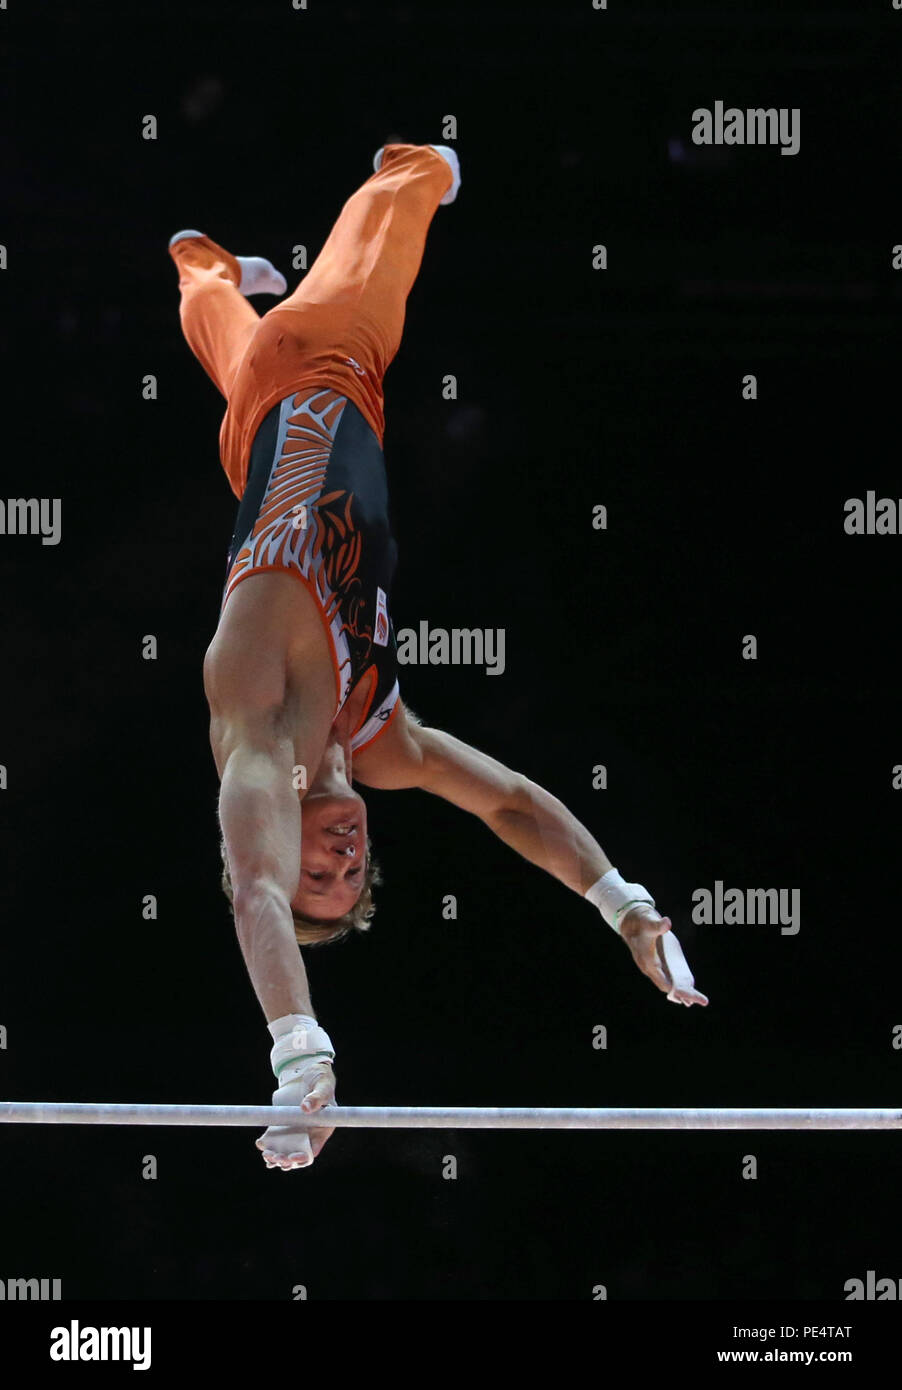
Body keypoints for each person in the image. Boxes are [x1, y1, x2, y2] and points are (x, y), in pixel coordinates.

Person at [169, 142, 707, 1173]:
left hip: (324, 367)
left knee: (401, 206)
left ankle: (406, 166)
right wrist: (623, 903)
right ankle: (203, 269)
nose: (342, 859)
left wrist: (300, 1053)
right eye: (354, 875)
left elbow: (253, 890)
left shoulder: (257, 721)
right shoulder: (380, 735)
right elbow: (508, 803)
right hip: (268, 424)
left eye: (319, 872)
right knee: (232, 346)